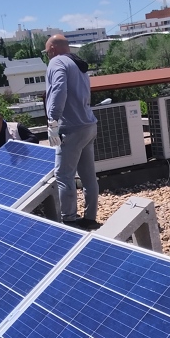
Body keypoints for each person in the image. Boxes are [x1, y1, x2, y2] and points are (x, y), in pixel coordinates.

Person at [44, 34, 100, 230]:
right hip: (88, 125)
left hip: (71, 127)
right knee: (88, 175)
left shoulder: (57, 62)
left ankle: (69, 220)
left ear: (51, 50)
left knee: (63, 175)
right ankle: (90, 217)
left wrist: (53, 122)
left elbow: (58, 90)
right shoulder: (78, 64)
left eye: (47, 53)